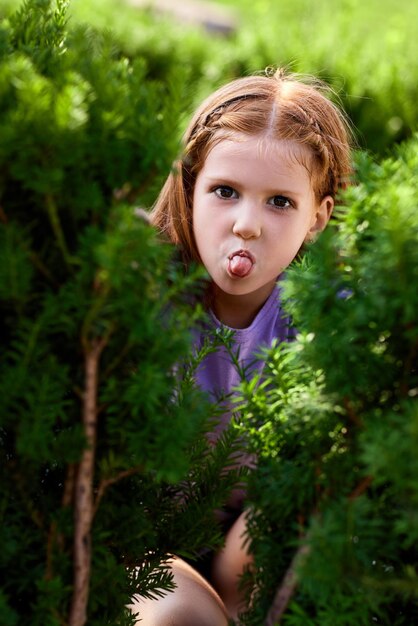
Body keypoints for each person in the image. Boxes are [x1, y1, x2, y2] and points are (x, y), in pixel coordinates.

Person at [130, 67, 353, 625]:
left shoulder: (325, 321)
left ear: (317, 219)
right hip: (137, 541)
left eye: (280, 202)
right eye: (225, 192)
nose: (247, 224)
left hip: (255, 544)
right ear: (190, 187)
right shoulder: (139, 290)